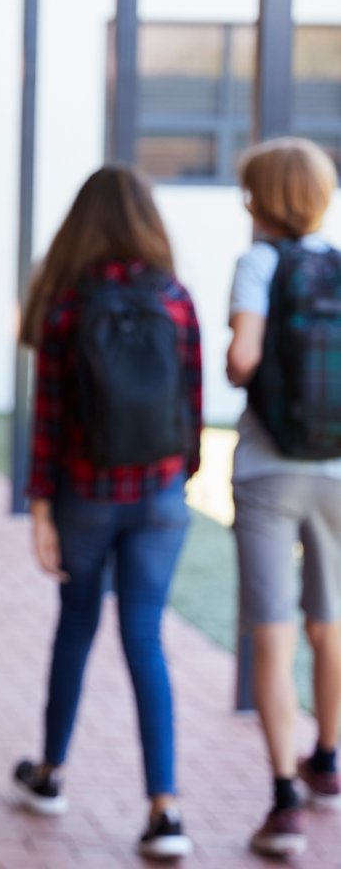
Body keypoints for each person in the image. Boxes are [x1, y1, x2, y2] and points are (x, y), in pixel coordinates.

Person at [11, 165, 202, 860]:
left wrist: (40, 509)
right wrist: (175, 486)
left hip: (85, 496)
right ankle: (166, 810)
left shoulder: (66, 305)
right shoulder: (176, 298)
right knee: (144, 639)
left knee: (77, 628)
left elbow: (50, 421)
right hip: (158, 498)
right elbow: (193, 407)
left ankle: (52, 774)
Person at [225, 137, 341, 857]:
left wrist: (241, 370)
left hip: (269, 470)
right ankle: (329, 759)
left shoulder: (258, 264)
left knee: (270, 628)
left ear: (261, 199)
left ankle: (282, 799)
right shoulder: (337, 264)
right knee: (329, 623)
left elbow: (244, 357)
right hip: (336, 469)